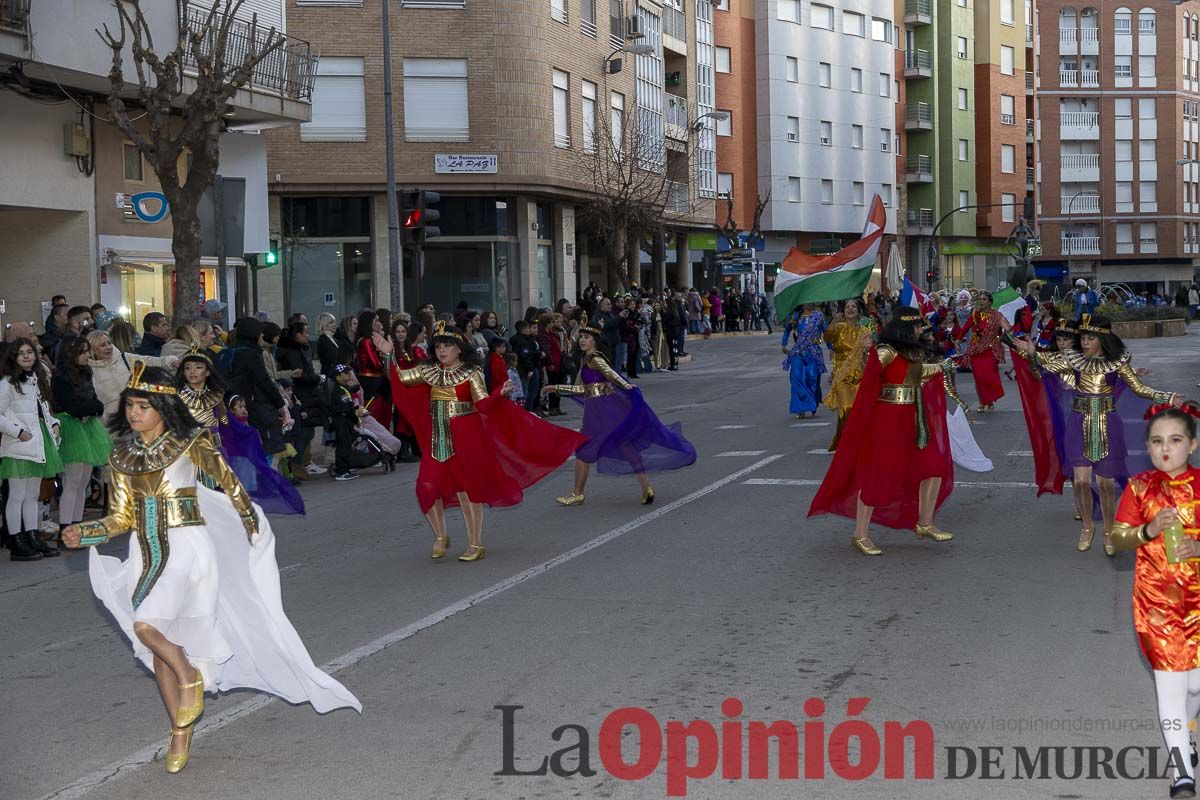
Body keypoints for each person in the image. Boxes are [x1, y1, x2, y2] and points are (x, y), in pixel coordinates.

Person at [62, 365, 359, 774]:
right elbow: (120, 518)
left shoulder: (190, 443)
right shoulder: (121, 456)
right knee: (157, 650)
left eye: (143, 406)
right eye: (130, 405)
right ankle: (179, 730)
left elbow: (230, 483)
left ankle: (190, 677)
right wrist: (87, 530)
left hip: (188, 548)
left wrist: (250, 524)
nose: (134, 413)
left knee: (146, 627)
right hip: (144, 552)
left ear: (164, 407)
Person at [380, 322, 585, 561]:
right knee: (426, 486)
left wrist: (499, 393)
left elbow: (483, 404)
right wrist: (388, 355)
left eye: (447, 346)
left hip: (467, 436)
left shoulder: (471, 373)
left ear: (459, 348)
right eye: (438, 347)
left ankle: (475, 544)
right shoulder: (428, 371)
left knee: (468, 491)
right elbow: (400, 378)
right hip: (438, 439)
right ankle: (440, 536)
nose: (442, 351)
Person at [1012, 315, 1184, 554]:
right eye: (1083, 337)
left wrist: (1167, 397)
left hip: (1108, 423)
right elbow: (1043, 365)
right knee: (1081, 481)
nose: (1085, 342)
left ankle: (1108, 530)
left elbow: (1139, 388)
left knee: (1106, 485)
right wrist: (1031, 352)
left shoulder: (1117, 362)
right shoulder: (1073, 359)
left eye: (1091, 337)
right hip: (1078, 421)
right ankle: (1087, 526)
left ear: (1103, 338)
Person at [808, 307, 959, 556]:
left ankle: (925, 522)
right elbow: (870, 378)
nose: (921, 330)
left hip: (914, 416)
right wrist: (868, 351)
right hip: (888, 418)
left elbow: (918, 377)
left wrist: (942, 366)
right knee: (878, 475)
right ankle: (860, 534)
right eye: (917, 326)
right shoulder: (886, 351)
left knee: (934, 468)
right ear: (906, 328)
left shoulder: (912, 352)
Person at [1108, 405, 1200, 798]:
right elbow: (1117, 538)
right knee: (1171, 686)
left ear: (1192, 445)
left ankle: (1188, 734)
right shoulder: (1140, 487)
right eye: (1158, 442)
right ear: (1147, 447)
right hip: (1157, 601)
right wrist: (1147, 529)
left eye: (1175, 441)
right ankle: (1182, 771)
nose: (1166, 450)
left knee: (1195, 686)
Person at [543, 323, 696, 507]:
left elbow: (611, 374)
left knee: (584, 451)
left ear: (595, 341)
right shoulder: (587, 359)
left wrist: (626, 385)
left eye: (587, 337)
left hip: (601, 411)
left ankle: (577, 493)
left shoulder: (594, 358)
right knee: (624, 446)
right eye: (581, 337)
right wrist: (556, 388)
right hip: (604, 408)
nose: (582, 340)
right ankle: (646, 487)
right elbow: (583, 390)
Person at [0, 338, 63, 560]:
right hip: (19, 444)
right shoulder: (7, 383)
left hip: (39, 441)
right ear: (13, 357)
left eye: (30, 352)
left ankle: (32, 536)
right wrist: (17, 432)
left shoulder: (36, 381)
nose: (27, 356)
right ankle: (17, 542)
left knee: (32, 494)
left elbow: (42, 412)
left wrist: (54, 424)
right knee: (17, 495)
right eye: (21, 353)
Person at [52, 336, 111, 530]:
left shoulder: (85, 372)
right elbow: (72, 406)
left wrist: (92, 408)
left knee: (83, 481)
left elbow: (95, 402)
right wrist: (91, 407)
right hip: (71, 428)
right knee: (72, 481)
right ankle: (66, 528)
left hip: (86, 426)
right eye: (83, 351)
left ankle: (76, 525)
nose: (87, 355)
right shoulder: (61, 377)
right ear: (71, 354)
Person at [822, 299, 876, 450]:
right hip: (842, 375)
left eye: (854, 307)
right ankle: (848, 437)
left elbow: (870, 353)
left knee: (857, 409)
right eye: (847, 307)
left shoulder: (865, 331)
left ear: (859, 312)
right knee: (846, 407)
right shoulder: (838, 327)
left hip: (860, 374)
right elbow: (827, 337)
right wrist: (833, 321)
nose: (850, 309)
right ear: (843, 311)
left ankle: (851, 439)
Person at [956, 291, 1009, 412]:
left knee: (989, 376)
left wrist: (1006, 335)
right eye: (980, 299)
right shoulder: (975, 314)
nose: (981, 301)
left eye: (984, 299)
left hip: (990, 350)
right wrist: (958, 340)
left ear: (990, 302)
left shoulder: (997, 315)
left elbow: (1008, 328)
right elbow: (965, 327)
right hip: (976, 350)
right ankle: (981, 402)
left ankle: (989, 399)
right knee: (979, 378)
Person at [781, 304, 827, 419]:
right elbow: (787, 331)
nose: (808, 302)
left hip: (814, 352)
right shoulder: (796, 317)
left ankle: (812, 402)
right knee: (796, 378)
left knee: (812, 378)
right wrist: (784, 344)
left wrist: (832, 348)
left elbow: (827, 333)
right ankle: (800, 408)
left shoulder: (819, 317)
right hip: (798, 352)